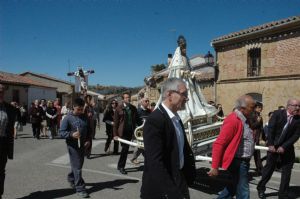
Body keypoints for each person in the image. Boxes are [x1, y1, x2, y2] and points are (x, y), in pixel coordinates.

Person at [141, 78, 196, 199]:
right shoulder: (155, 120)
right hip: (162, 189)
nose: (187, 98)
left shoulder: (176, 118)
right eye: (184, 94)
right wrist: (173, 193)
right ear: (169, 94)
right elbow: (155, 163)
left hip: (179, 180)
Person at [208, 95, 255, 199]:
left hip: (243, 161)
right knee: (243, 192)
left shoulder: (245, 119)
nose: (254, 110)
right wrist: (214, 167)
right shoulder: (233, 120)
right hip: (238, 162)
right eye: (252, 107)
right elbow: (219, 143)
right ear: (242, 109)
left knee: (232, 187)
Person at [257, 99, 300, 199]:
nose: (298, 108)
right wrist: (271, 144)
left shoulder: (298, 119)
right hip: (273, 148)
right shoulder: (277, 114)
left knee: (286, 173)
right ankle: (261, 188)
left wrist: (284, 146)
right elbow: (271, 129)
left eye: (299, 106)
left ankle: (283, 194)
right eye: (295, 106)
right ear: (288, 106)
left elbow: (296, 135)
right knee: (269, 170)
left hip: (287, 149)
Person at [59, 98, 91, 198]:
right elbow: (61, 133)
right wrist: (71, 134)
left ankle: (71, 178)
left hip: (83, 146)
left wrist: (88, 140)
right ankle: (80, 188)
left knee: (78, 165)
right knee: (77, 167)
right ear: (73, 107)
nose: (80, 111)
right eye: (78, 109)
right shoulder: (67, 118)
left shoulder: (84, 117)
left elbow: (89, 130)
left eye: (82, 109)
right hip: (73, 146)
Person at [113, 91, 139, 175]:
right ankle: (121, 167)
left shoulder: (133, 108)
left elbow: (137, 120)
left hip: (130, 131)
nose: (128, 99)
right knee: (124, 149)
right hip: (122, 132)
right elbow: (116, 123)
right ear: (123, 99)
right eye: (126, 97)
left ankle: (119, 165)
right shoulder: (118, 108)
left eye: (129, 97)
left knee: (125, 149)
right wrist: (115, 135)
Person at [0, 84, 15, 199]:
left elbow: (10, 129)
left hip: (3, 144)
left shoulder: (9, 108)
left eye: (2, 91)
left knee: (1, 171)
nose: (1, 93)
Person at [130, 96, 151, 164]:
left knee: (144, 145)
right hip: (139, 132)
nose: (147, 102)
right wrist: (134, 132)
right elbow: (134, 121)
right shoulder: (137, 111)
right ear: (141, 102)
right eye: (146, 101)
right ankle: (134, 158)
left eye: (148, 101)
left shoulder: (149, 111)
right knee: (140, 145)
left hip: (147, 131)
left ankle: (146, 158)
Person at [250, 102, 264, 175]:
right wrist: (258, 121)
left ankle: (259, 169)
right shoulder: (252, 115)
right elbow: (252, 126)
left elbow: (261, 128)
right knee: (252, 153)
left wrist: (262, 138)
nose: (261, 109)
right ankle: (259, 168)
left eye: (261, 108)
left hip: (257, 137)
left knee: (257, 154)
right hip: (253, 137)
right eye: (259, 107)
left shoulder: (258, 115)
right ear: (256, 107)